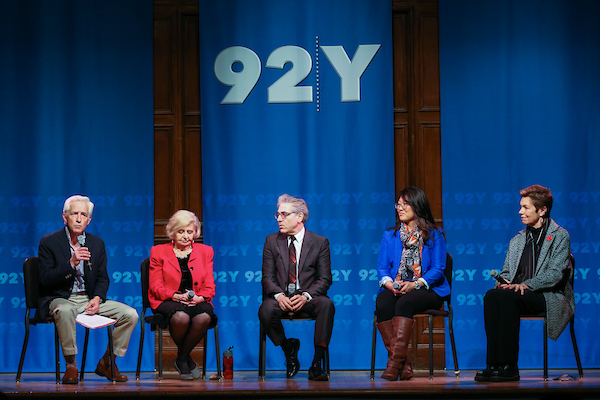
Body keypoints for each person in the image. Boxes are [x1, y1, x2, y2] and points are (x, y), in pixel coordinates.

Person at [475, 185, 573, 382]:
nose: (520, 211)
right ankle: (493, 365)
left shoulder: (560, 236)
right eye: (521, 207)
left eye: (526, 207)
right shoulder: (517, 240)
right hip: (517, 294)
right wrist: (504, 282)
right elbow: (507, 272)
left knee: (509, 298)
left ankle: (509, 366)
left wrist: (526, 285)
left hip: (548, 295)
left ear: (542, 210)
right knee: (492, 295)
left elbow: (555, 275)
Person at [37, 195, 139, 384]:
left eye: (83, 214)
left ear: (89, 220)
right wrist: (71, 264)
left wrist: (98, 297)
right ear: (64, 217)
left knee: (130, 314)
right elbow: (44, 280)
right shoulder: (49, 242)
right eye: (74, 213)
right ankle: (71, 364)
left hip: (88, 299)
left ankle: (108, 362)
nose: (78, 218)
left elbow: (102, 278)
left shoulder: (96, 243)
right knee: (65, 310)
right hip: (60, 298)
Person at [375, 187, 449, 381]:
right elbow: (382, 268)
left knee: (404, 303)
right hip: (398, 285)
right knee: (383, 302)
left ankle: (392, 365)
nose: (399, 208)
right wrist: (389, 283)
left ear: (417, 206)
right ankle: (403, 363)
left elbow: (438, 268)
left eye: (404, 204)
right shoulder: (389, 236)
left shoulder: (434, 234)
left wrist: (416, 284)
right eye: (398, 205)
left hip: (428, 288)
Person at [258, 194, 335, 381]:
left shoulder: (319, 242)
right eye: (277, 214)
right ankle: (288, 347)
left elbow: (325, 279)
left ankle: (317, 363)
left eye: (284, 214)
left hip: (308, 298)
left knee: (326, 305)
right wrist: (279, 296)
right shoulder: (271, 241)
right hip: (281, 298)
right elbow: (267, 278)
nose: (279, 219)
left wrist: (306, 296)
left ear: (300, 217)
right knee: (265, 309)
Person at [148, 210, 217, 380]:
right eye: (181, 231)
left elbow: (209, 286)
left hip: (196, 299)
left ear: (195, 233)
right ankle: (187, 359)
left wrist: (200, 298)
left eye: (190, 231)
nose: (186, 236)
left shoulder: (205, 251)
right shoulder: (158, 251)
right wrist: (176, 296)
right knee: (181, 317)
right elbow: (155, 286)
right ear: (172, 232)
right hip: (167, 300)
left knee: (204, 317)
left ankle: (181, 358)